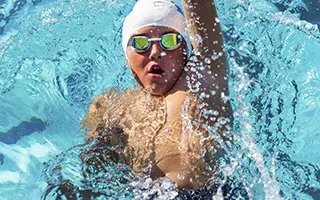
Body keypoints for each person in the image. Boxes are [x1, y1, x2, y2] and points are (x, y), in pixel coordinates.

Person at [82, 0, 233, 190]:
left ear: (185, 52)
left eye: (169, 41)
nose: (155, 52)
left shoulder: (199, 83)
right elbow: (93, 178)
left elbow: (200, 10)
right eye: (140, 43)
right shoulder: (111, 108)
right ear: (127, 55)